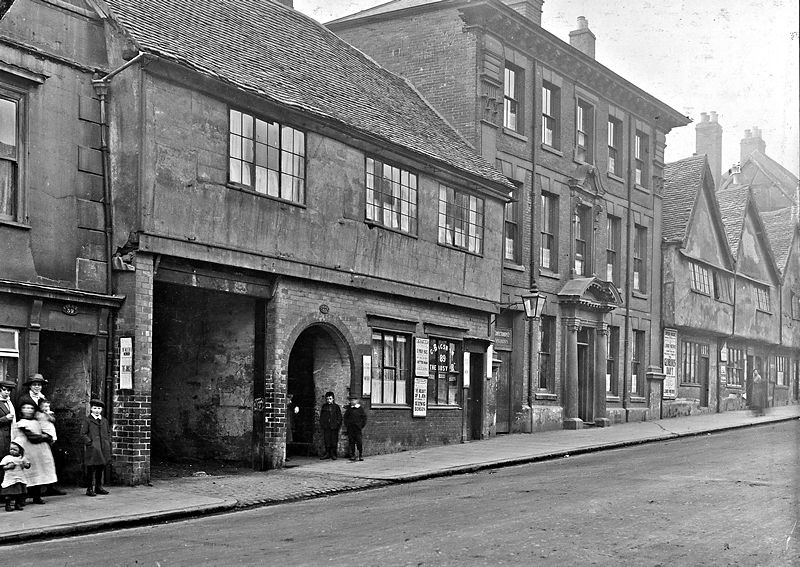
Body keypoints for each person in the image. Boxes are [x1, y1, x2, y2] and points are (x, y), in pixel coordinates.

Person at [15, 401, 57, 504]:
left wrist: (47, 435)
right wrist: (44, 437)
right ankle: (23, 498)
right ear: (21, 410)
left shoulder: (37, 421)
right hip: (28, 450)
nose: (28, 410)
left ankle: (37, 497)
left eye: (31, 408)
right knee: (28, 473)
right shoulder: (21, 423)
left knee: (39, 472)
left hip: (40, 451)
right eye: (25, 408)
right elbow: (32, 437)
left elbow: (47, 431)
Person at [81, 399, 111, 496]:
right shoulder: (87, 420)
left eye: (99, 408)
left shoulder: (104, 420)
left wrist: (108, 442)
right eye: (94, 408)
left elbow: (108, 432)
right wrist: (90, 443)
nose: (97, 410)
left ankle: (98, 487)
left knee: (101, 467)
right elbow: (83, 434)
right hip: (93, 448)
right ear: (91, 409)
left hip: (103, 448)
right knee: (91, 468)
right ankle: (89, 488)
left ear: (101, 409)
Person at [37, 399, 66, 496]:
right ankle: (42, 488)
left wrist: (48, 414)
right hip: (45, 440)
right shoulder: (38, 415)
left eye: (47, 406)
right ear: (40, 407)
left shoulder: (50, 414)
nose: (46, 409)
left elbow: (53, 420)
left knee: (54, 461)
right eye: (44, 407)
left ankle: (51, 486)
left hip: (53, 439)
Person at [1, 441, 30, 511]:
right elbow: (2, 467)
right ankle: (7, 505)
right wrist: (8, 466)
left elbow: (28, 465)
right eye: (11, 449)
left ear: (20, 450)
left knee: (19, 493)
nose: (12, 451)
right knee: (9, 494)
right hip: (10, 479)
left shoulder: (22, 458)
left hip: (20, 478)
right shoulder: (7, 458)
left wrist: (26, 465)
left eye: (15, 450)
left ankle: (17, 504)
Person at [318, 391, 342, 460]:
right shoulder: (324, 406)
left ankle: (333, 454)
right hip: (327, 427)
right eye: (327, 399)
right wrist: (323, 424)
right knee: (327, 440)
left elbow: (339, 417)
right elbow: (322, 416)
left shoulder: (336, 407)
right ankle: (327, 453)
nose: (329, 400)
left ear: (333, 399)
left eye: (330, 399)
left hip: (334, 427)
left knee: (334, 440)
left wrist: (337, 424)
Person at [343, 395, 367, 462]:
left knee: (359, 442)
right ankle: (353, 455)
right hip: (351, 428)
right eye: (351, 400)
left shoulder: (360, 409)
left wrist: (360, 425)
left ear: (357, 401)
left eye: (354, 400)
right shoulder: (349, 409)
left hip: (357, 429)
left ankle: (360, 454)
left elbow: (364, 418)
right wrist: (347, 425)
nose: (352, 401)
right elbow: (345, 418)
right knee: (351, 442)